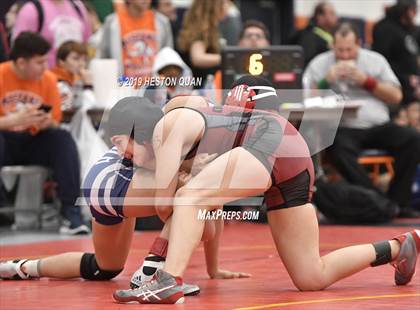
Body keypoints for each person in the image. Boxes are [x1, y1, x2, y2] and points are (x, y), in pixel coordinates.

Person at [110, 75, 420, 304]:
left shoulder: (167, 129)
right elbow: (208, 210)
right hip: (290, 157)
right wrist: (213, 267)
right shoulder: (193, 137)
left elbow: (169, 208)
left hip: (271, 140)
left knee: (188, 195)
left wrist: (179, 186)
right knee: (312, 276)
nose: (134, 161)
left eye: (126, 150)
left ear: (140, 131)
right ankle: (398, 247)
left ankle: (168, 280)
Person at [0, 97, 249, 300]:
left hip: (103, 181)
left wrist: (213, 268)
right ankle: (150, 272)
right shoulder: (185, 128)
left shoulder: (191, 127)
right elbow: (176, 206)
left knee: (103, 267)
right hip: (112, 180)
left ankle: (21, 267)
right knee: (194, 205)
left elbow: (211, 201)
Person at [304, 22, 420, 218]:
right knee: (336, 146)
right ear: (332, 45)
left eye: (349, 49)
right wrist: (326, 81)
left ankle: (399, 202)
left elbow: (396, 96)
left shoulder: (375, 60)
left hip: (378, 126)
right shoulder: (319, 63)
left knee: (412, 138)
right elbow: (305, 99)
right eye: (339, 50)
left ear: (359, 43)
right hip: (342, 127)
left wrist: (367, 81)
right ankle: (378, 201)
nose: (344, 55)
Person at [0, 32, 87, 234]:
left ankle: (70, 212)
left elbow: (55, 121)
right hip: (5, 138)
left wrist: (47, 122)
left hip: (33, 139)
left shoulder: (48, 80)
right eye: (39, 62)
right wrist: (12, 121)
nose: (45, 67)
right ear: (21, 62)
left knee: (62, 139)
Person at [100, 0, 173, 80]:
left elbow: (168, 59)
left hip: (153, 88)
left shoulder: (162, 22)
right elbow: (103, 57)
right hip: (124, 87)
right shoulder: (112, 23)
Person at [12, 0, 92, 68]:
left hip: (76, 79)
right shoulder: (32, 10)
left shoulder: (78, 7)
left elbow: (86, 44)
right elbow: (20, 50)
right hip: (45, 77)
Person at [372, 0, 419, 104]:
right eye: (415, 11)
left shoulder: (408, 27)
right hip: (397, 88)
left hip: (413, 88)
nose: (415, 15)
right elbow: (380, 63)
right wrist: (406, 79)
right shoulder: (385, 28)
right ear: (408, 10)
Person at [177, 0, 226, 89]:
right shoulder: (200, 31)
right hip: (198, 88)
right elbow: (198, 58)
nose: (226, 6)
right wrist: (227, 58)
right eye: (222, 3)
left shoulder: (212, 30)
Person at [289, 2, 338, 67]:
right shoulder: (309, 36)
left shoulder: (331, 34)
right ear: (320, 17)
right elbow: (307, 62)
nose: (336, 17)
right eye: (332, 14)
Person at [51, 41, 95, 110]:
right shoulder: (58, 84)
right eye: (76, 59)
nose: (81, 63)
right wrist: (88, 85)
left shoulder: (73, 80)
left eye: (84, 59)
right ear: (61, 62)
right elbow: (87, 110)